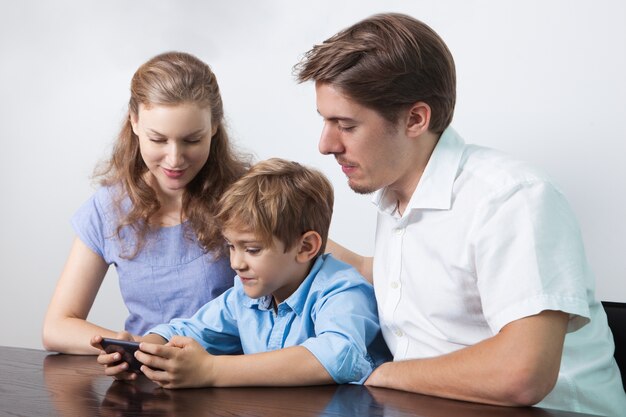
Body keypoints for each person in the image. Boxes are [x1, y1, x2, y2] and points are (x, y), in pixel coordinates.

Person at [294, 12, 626, 416]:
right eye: (325, 121)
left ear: (416, 119)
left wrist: (380, 375)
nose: (325, 145)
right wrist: (284, 241)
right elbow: (404, 276)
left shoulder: (512, 199)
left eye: (345, 125)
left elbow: (523, 373)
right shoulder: (399, 195)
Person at [91, 158, 390, 388]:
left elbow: (338, 355)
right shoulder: (244, 297)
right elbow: (189, 330)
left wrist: (211, 371)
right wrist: (145, 351)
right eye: (232, 246)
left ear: (306, 247)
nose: (236, 262)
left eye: (252, 249)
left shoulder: (342, 290)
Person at [43, 51, 249, 354]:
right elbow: (57, 327)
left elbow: (315, 255)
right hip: (147, 378)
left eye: (192, 140)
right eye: (158, 139)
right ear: (134, 122)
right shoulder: (108, 208)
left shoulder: (247, 194)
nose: (175, 159)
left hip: (232, 383)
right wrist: (130, 348)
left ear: (215, 126)